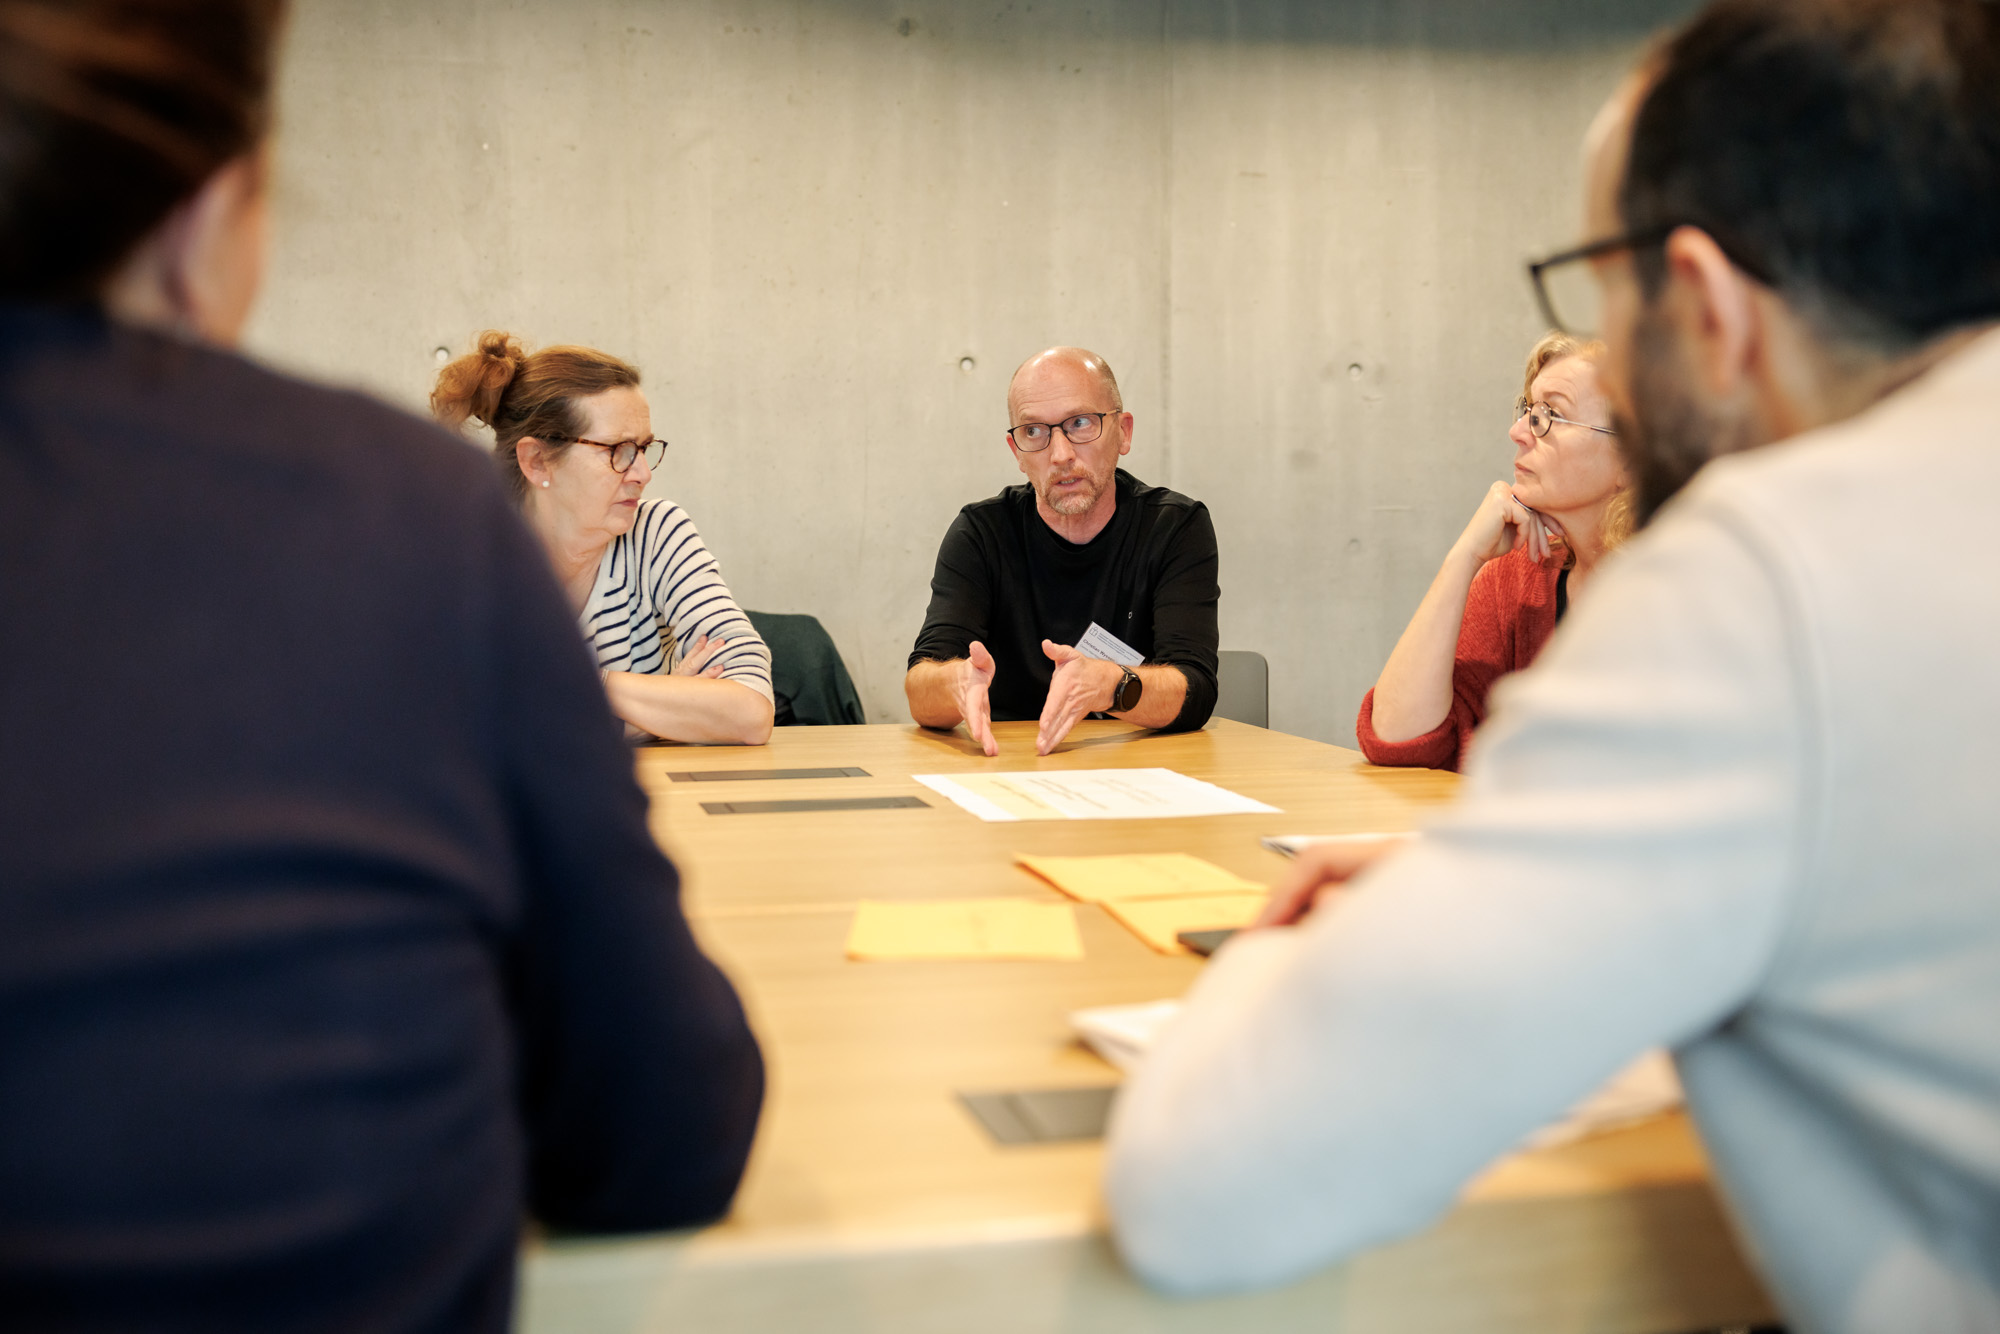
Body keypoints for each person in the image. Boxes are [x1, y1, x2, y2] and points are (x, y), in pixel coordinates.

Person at [1105, 2, 2000, 1329]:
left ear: (1699, 302)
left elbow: (1202, 1187)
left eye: (1602, 288)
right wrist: (1520, 876)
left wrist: (1294, 951)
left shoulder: (1758, 573)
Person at [0, 4, 763, 1331]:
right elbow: (661, 1117)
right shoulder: (402, 515)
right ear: (212, 213)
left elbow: (746, 693)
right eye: (617, 452)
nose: (640, 476)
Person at [432, 334, 774, 746]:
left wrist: (586, 685)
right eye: (618, 450)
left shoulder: (658, 533)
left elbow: (750, 713)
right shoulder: (464, 560)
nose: (643, 473)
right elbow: (451, 742)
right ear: (536, 460)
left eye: (645, 448)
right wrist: (661, 705)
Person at [905, 346, 1220, 756]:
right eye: (1034, 432)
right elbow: (919, 689)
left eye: (1081, 423)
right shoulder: (982, 534)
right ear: (1016, 451)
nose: (1061, 454)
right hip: (1008, 765)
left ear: (1123, 432)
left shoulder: (1173, 527)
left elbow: (1195, 690)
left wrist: (1110, 685)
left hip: (1136, 768)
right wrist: (954, 683)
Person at [1357, 333, 1630, 771]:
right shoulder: (1519, 576)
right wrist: (1464, 558)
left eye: (1551, 415)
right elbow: (1395, 736)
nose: (1518, 431)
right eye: (1528, 410)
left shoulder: (1689, 588)